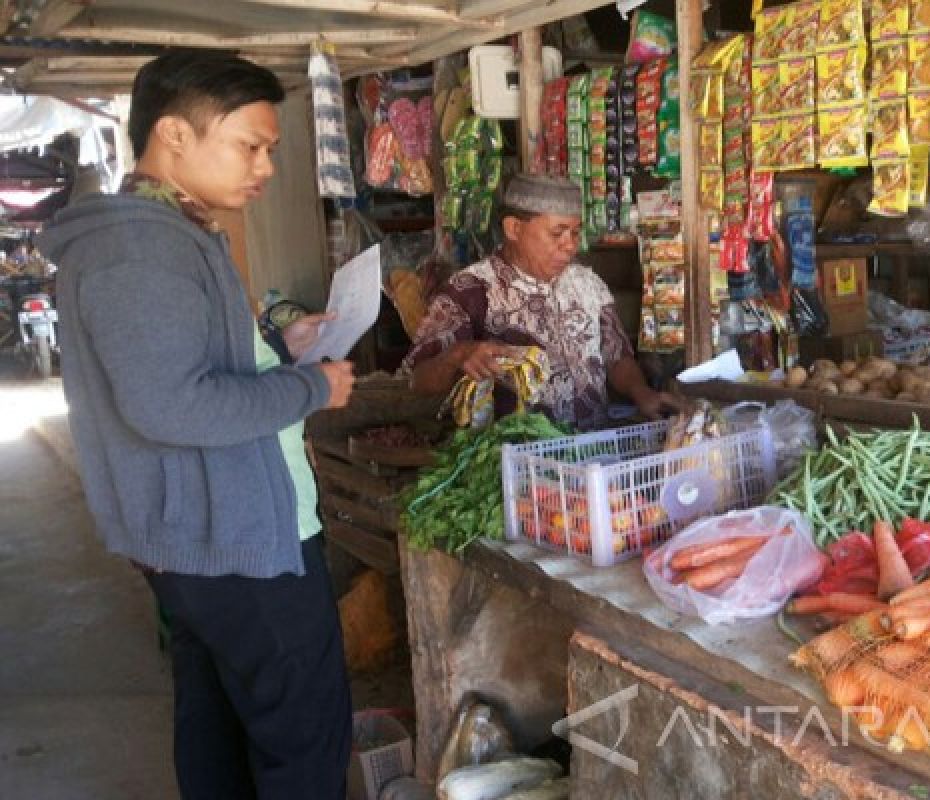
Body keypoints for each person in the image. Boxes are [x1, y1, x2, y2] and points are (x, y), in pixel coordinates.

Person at [37, 50, 355, 800]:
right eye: (251, 145)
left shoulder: (173, 231)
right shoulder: (139, 246)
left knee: (218, 722)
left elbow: (189, 368)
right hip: (235, 545)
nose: (267, 167)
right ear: (175, 135)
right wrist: (309, 387)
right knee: (301, 739)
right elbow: (171, 407)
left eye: (270, 149)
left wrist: (279, 348)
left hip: (214, 540)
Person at [405, 172, 680, 429]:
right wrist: (458, 355)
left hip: (592, 453)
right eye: (556, 233)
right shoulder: (471, 290)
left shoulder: (588, 283)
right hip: (513, 462)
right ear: (513, 229)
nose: (570, 245)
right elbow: (416, 381)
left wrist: (640, 391)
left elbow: (617, 356)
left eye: (575, 232)